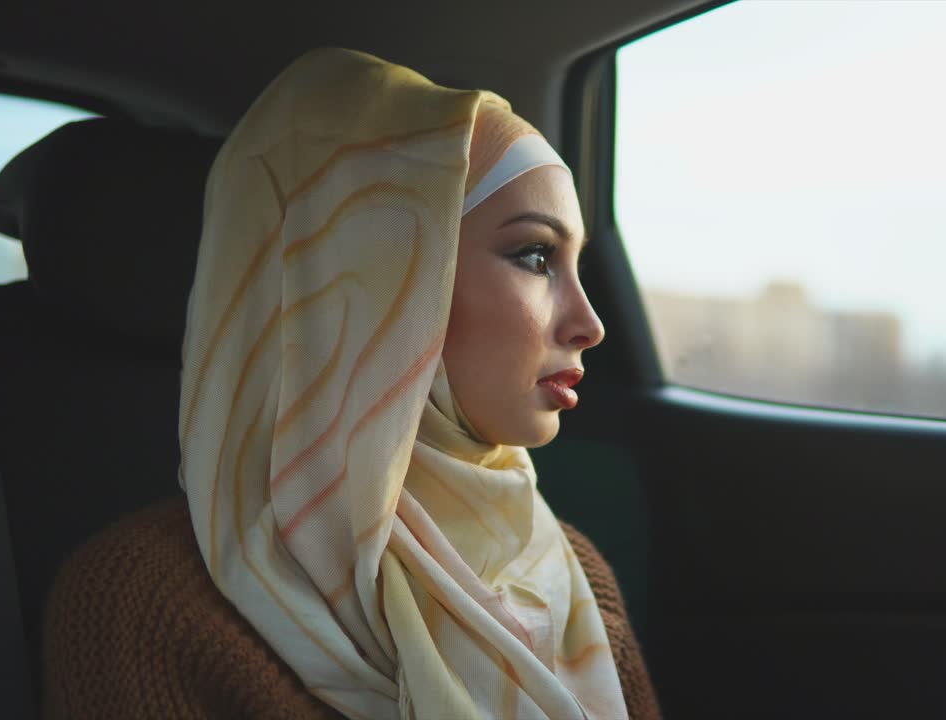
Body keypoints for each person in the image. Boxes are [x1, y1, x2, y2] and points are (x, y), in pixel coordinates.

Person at [42, 48, 660, 720]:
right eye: (535, 256)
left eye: (574, 262)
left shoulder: (571, 576)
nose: (589, 323)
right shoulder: (144, 605)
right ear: (378, 277)